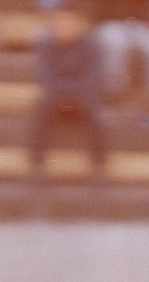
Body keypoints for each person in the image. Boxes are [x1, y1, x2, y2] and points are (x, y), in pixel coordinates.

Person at [32, 4, 111, 180]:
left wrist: (70, 92)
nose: (65, 28)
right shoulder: (46, 46)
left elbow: (93, 79)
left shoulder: (92, 46)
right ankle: (37, 165)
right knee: (40, 107)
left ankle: (99, 166)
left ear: (79, 25)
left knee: (97, 115)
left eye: (69, 23)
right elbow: (45, 79)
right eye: (60, 24)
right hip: (57, 96)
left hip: (82, 97)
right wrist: (65, 92)